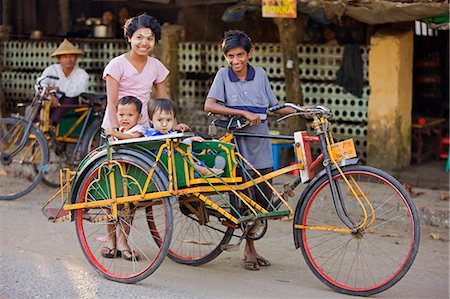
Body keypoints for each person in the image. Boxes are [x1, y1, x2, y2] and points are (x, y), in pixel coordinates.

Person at [204, 30, 296, 271]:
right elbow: (210, 104)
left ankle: (251, 246)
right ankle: (249, 250)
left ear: (249, 53)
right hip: (237, 146)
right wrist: (242, 113)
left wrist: (299, 109)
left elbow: (274, 107)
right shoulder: (223, 76)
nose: (236, 61)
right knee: (245, 201)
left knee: (264, 201)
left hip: (261, 144)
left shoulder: (261, 75)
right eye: (231, 56)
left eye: (240, 55)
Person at [102, 13, 188, 135]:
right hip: (118, 126)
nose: (144, 43)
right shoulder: (116, 65)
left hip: (142, 128)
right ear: (129, 38)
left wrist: (174, 125)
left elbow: (164, 100)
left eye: (150, 39)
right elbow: (112, 102)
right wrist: (116, 131)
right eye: (139, 37)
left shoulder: (156, 66)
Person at [101, 96, 145, 261]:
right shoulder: (118, 130)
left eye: (130, 115)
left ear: (139, 117)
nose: (125, 119)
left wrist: (115, 133)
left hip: (130, 176)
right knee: (109, 208)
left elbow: (133, 138)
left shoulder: (139, 129)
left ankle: (122, 241)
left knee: (128, 210)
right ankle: (111, 239)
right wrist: (115, 133)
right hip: (116, 174)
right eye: (121, 115)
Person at [145, 98, 223, 177]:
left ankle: (209, 170)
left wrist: (190, 140)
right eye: (159, 120)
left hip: (172, 161)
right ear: (151, 120)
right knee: (184, 156)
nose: (164, 124)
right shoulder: (151, 135)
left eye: (168, 120)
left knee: (190, 152)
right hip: (161, 164)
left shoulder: (169, 133)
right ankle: (203, 171)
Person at [39, 39, 89, 125]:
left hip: (70, 105)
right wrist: (49, 95)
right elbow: (41, 83)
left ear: (76, 58)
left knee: (68, 98)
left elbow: (77, 90)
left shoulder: (82, 74)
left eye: (72, 56)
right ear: (59, 59)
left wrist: (58, 89)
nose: (69, 60)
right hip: (51, 102)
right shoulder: (52, 69)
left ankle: (52, 123)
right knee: (41, 99)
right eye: (65, 56)